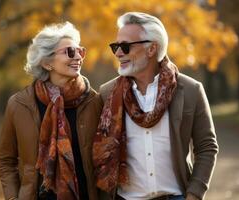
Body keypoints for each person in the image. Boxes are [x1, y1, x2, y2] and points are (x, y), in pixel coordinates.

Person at [93, 12, 218, 200]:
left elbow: (207, 147)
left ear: (152, 49)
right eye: (115, 46)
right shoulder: (106, 94)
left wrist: (194, 194)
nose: (118, 53)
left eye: (125, 46)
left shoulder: (190, 90)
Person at [0, 22, 102, 200]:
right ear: (47, 63)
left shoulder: (95, 102)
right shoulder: (19, 105)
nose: (78, 56)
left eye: (80, 51)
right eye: (70, 51)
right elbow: (6, 161)